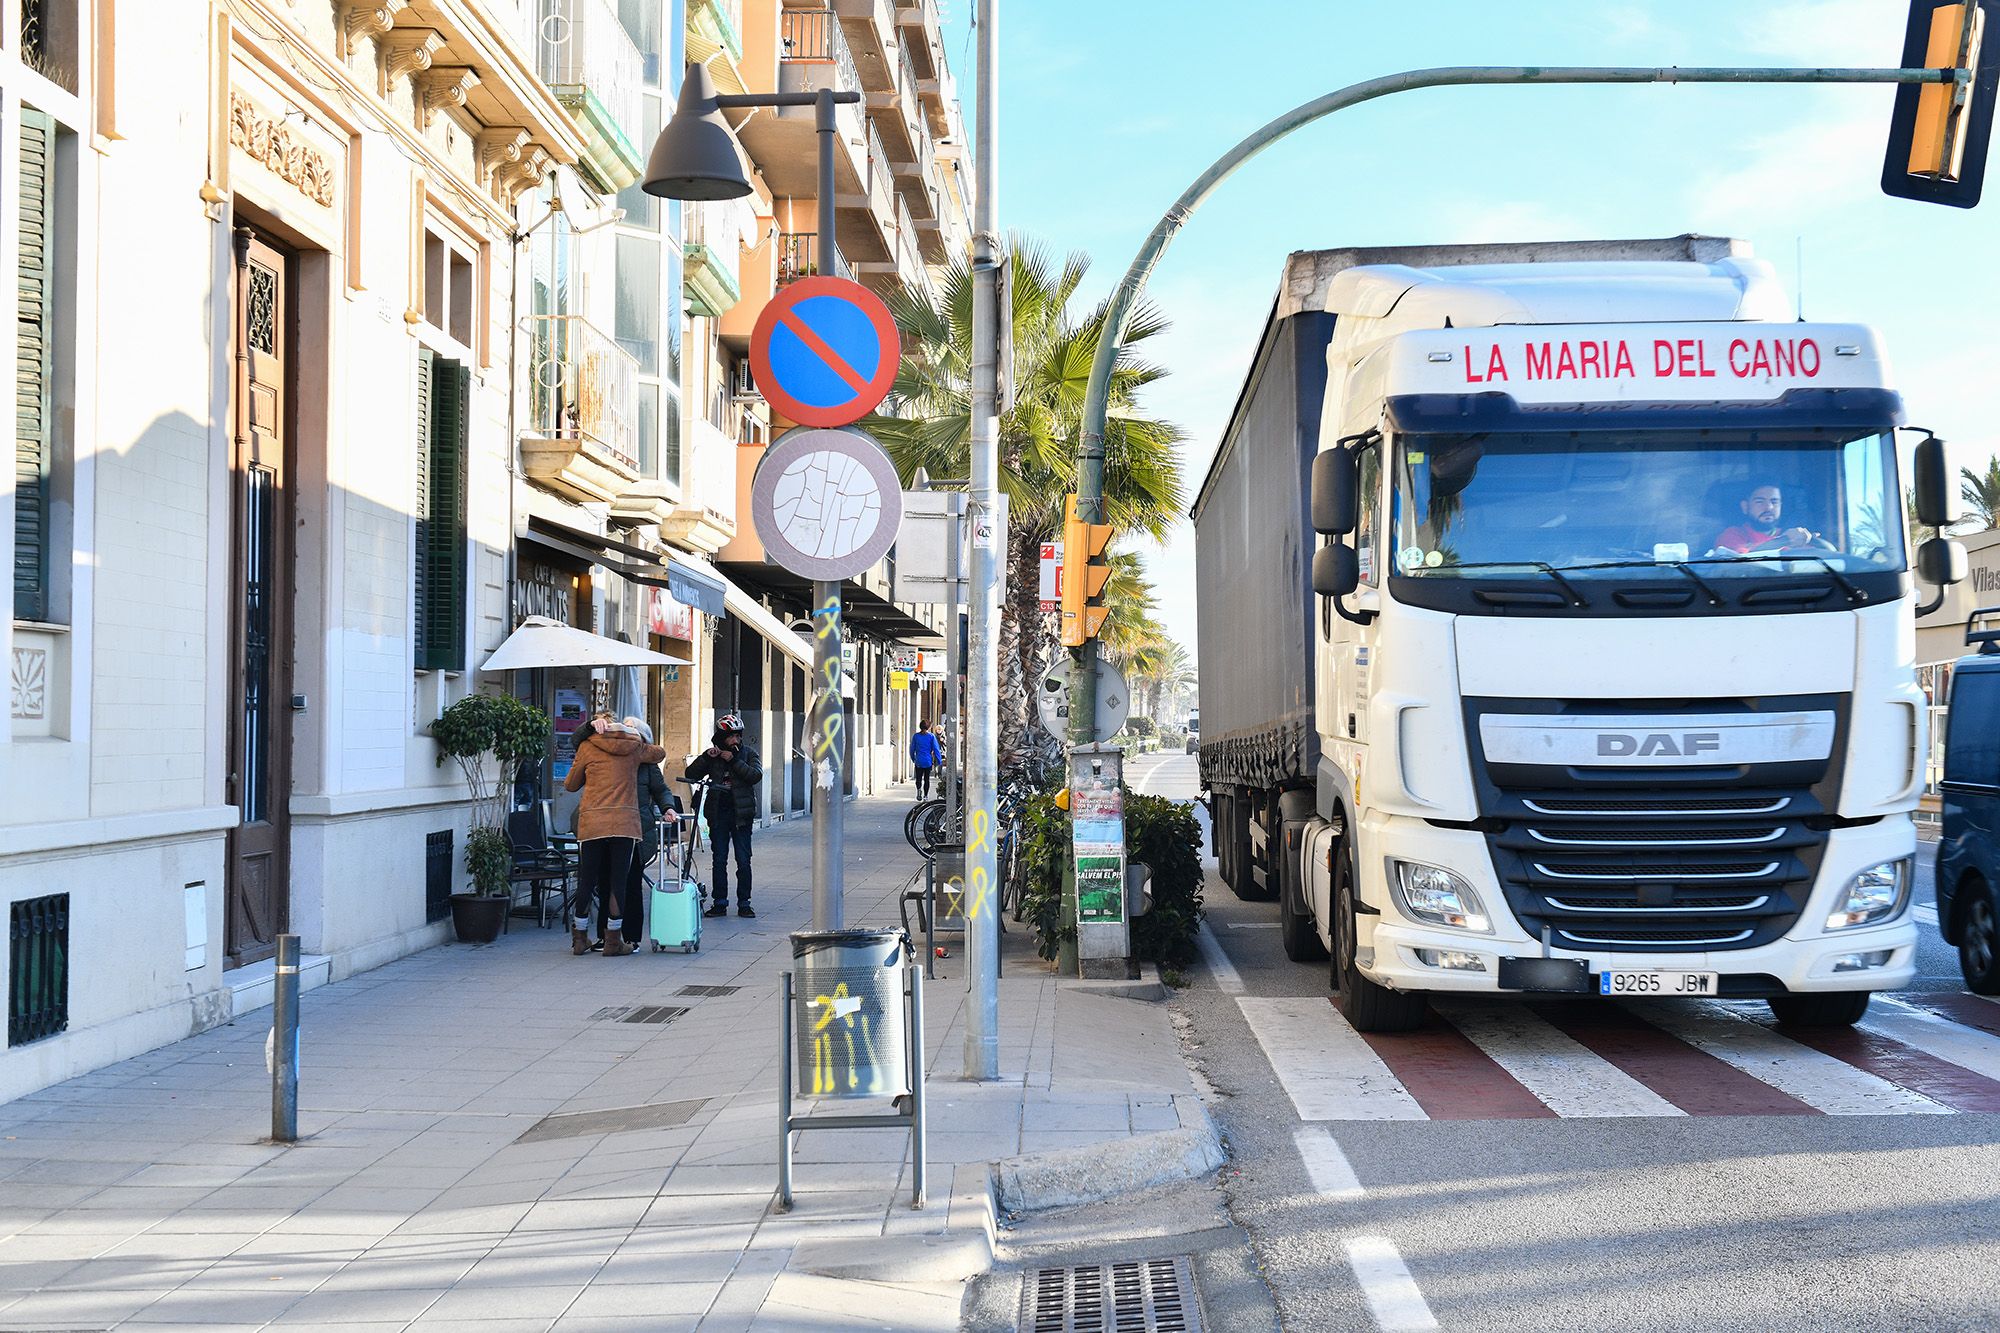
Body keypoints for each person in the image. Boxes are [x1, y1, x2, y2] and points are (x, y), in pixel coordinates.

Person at [562, 713, 666, 957]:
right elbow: (659, 753)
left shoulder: (588, 746)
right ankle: (613, 942)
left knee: (587, 881)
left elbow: (570, 785)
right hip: (624, 823)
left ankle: (580, 938)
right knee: (618, 883)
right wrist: (633, 736)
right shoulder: (634, 747)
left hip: (593, 822)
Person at [592, 718, 679, 952]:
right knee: (605, 882)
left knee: (630, 884)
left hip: (637, 833)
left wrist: (668, 808)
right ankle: (606, 935)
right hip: (608, 829)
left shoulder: (647, 766)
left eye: (632, 734)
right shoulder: (610, 759)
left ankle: (631, 936)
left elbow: (661, 790)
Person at [686, 713, 763, 918]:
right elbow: (690, 775)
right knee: (719, 859)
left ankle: (744, 903)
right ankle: (720, 902)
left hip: (742, 815)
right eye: (730, 736)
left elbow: (755, 775)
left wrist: (735, 760)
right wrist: (705, 758)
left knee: (743, 860)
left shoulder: (748, 754)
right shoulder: (713, 757)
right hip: (718, 813)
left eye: (738, 736)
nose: (735, 740)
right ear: (721, 737)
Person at [1714, 482, 1816, 554]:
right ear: (1745, 506)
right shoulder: (1732, 535)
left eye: (1774, 502)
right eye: (1760, 501)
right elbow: (1739, 559)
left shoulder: (1794, 536)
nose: (1769, 507)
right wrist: (1785, 541)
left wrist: (1809, 539)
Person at [910, 720, 941, 800]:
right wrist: (939, 760)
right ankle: (926, 796)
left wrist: (913, 759)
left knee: (918, 778)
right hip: (928, 761)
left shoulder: (916, 736)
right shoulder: (931, 736)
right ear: (929, 727)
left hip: (919, 761)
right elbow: (936, 749)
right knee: (927, 779)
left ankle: (919, 790)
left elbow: (912, 749)